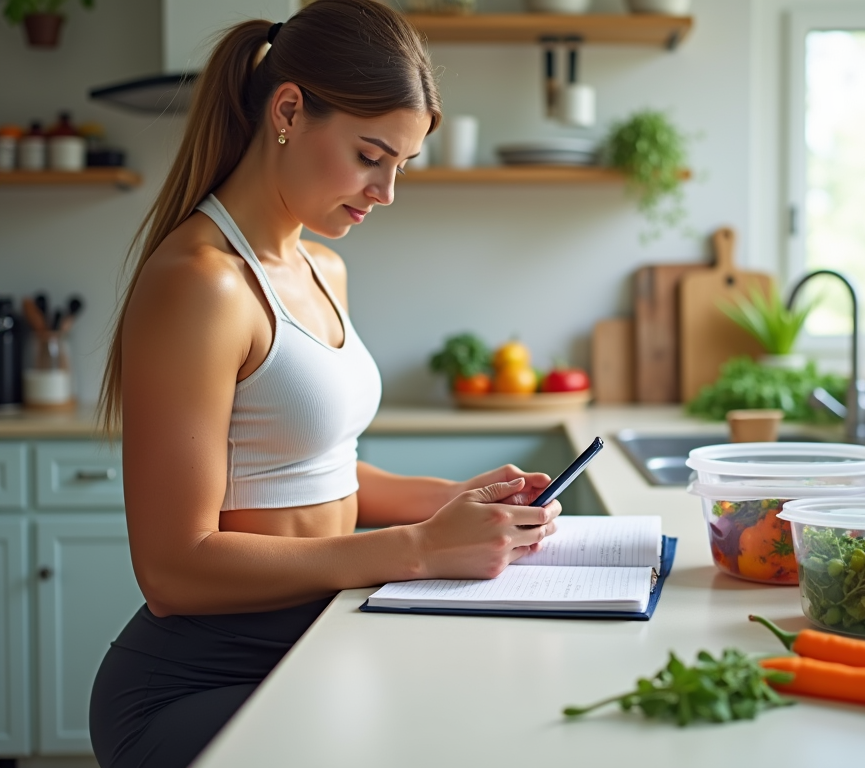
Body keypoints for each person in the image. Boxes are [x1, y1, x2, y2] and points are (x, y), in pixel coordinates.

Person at [88, 3, 561, 766]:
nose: (386, 191)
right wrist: (414, 550)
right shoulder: (202, 284)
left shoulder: (322, 267)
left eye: (401, 165)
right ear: (288, 110)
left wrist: (458, 503)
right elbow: (173, 569)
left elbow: (315, 472)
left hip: (311, 641)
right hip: (202, 681)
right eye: (371, 155)